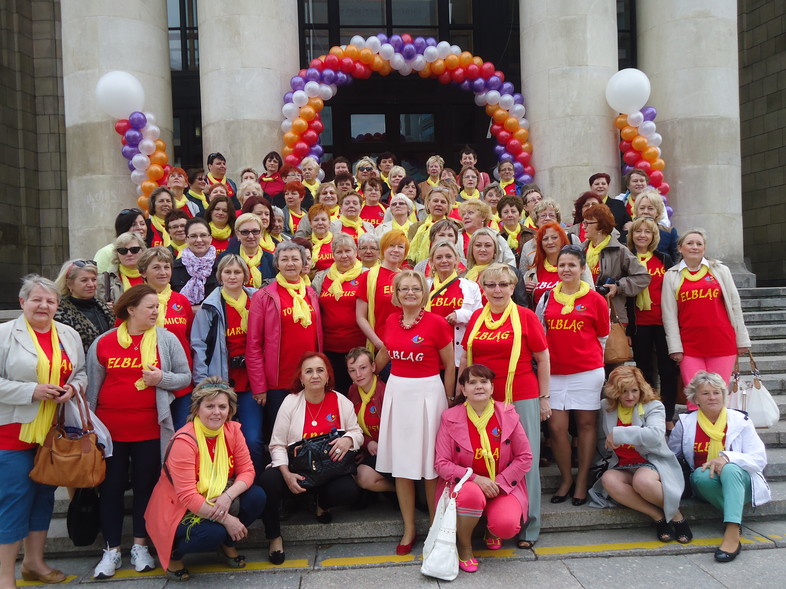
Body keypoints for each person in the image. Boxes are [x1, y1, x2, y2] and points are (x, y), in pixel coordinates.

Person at [86, 284, 191, 580]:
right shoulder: (104, 342)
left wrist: (162, 377)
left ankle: (140, 546)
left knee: (146, 487)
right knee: (111, 489)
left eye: (158, 306)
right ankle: (111, 550)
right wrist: (91, 429)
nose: (157, 311)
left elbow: (185, 376)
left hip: (150, 430)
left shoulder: (166, 339)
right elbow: (92, 389)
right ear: (131, 310)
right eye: (150, 307)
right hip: (110, 432)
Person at [0, 275, 85, 587]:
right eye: (36, 299)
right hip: (12, 432)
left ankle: (34, 563)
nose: (43, 305)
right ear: (23, 302)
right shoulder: (5, 334)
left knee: (43, 497)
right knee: (14, 498)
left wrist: (73, 388)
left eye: (50, 301)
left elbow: (82, 372)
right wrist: (31, 390)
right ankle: (4, 574)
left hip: (53, 433)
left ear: (57, 306)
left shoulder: (68, 334)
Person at [460, 263, 549, 548]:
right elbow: (465, 359)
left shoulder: (525, 316)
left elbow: (543, 358)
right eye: (491, 285)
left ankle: (529, 524)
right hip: (480, 399)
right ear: (483, 288)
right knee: (489, 458)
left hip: (521, 396)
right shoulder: (476, 317)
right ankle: (493, 521)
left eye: (503, 284)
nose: (497, 290)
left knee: (525, 460)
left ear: (513, 287)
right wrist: (458, 394)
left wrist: (544, 398)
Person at [145, 377, 267, 581]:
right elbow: (187, 496)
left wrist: (228, 497)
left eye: (222, 406)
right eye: (210, 406)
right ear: (197, 409)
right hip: (179, 508)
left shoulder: (232, 431)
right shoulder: (184, 441)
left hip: (217, 497)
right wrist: (228, 520)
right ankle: (174, 554)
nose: (216, 412)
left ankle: (227, 543)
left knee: (257, 497)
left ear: (230, 410)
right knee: (212, 534)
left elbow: (248, 471)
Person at [374, 270, 456, 555]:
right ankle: (409, 528)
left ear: (424, 292)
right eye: (404, 289)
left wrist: (447, 400)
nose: (410, 293)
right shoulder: (390, 320)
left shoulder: (436, 323)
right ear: (396, 294)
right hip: (399, 393)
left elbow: (450, 365)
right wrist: (370, 367)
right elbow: (385, 353)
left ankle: (435, 526)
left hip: (428, 394)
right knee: (403, 468)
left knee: (431, 467)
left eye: (415, 289)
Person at [257, 352, 363, 564]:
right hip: (297, 471)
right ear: (301, 378)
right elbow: (277, 444)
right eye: (309, 371)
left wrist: (348, 440)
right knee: (268, 480)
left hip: (327, 471)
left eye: (320, 370)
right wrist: (286, 475)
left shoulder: (341, 401)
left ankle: (319, 503)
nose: (315, 375)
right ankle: (274, 537)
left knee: (349, 489)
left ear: (327, 376)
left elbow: (357, 432)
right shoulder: (290, 402)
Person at [435, 365, 532, 571]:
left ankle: (492, 529)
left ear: (492, 387)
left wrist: (498, 482)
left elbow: (524, 457)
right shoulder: (449, 417)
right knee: (471, 495)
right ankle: (465, 546)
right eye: (472, 382)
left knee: (506, 526)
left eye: (484, 382)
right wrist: (475, 479)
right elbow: (441, 464)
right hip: (467, 484)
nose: (479, 386)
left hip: (501, 485)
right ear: (463, 389)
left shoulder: (508, 414)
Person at [668, 371, 770, 562]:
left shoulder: (740, 420)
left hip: (741, 483)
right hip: (707, 484)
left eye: (716, 392)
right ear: (695, 398)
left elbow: (759, 459)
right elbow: (671, 456)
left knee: (730, 469)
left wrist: (726, 458)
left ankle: (732, 531)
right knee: (700, 474)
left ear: (724, 395)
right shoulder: (685, 423)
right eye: (705, 393)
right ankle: (734, 512)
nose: (712, 397)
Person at [537, 246, 609, 506]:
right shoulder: (547, 298)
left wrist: (588, 358)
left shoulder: (595, 299)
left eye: (572, 265)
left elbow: (603, 334)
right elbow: (539, 335)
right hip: (554, 373)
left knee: (586, 426)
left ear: (582, 268)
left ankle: (581, 482)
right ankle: (565, 478)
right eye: (562, 265)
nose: (566, 269)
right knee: (556, 428)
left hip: (587, 372)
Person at [589, 366, 691, 543]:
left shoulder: (654, 405)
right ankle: (657, 516)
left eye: (634, 391)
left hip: (651, 462)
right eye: (624, 391)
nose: (630, 396)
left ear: (641, 389)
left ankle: (677, 517)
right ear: (615, 393)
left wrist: (620, 434)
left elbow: (655, 435)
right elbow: (601, 438)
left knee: (642, 481)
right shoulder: (607, 406)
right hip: (622, 464)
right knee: (608, 480)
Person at [191, 255, 264, 472]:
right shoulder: (210, 307)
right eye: (227, 272)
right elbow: (199, 346)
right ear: (220, 275)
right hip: (222, 382)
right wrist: (204, 386)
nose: (232, 276)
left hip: (251, 383)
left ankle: (255, 487)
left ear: (245, 275)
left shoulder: (257, 300)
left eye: (237, 272)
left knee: (253, 439)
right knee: (221, 440)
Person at [247, 242, 322, 441]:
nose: (290, 264)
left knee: (307, 435)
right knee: (280, 437)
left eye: (295, 259)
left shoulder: (311, 294)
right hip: (278, 383)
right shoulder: (264, 296)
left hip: (308, 380)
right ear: (277, 264)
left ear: (303, 263)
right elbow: (253, 344)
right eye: (285, 259)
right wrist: (260, 386)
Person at [661, 229, 750, 387]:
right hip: (689, 346)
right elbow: (669, 315)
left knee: (718, 394)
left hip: (722, 343)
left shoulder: (721, 271)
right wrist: (675, 347)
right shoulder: (671, 275)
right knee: (695, 395)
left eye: (699, 244)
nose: (694, 247)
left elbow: (735, 306)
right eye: (690, 243)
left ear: (704, 248)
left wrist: (742, 339)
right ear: (680, 248)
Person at [627, 216, 679, 424]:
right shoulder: (627, 259)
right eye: (638, 231)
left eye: (647, 232)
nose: (642, 235)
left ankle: (667, 415)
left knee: (668, 371)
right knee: (644, 370)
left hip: (663, 322)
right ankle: (649, 412)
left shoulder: (664, 259)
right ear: (632, 235)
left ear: (653, 236)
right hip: (639, 323)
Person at [582, 203, 650, 355]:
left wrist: (618, 287)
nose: (583, 227)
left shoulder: (619, 250)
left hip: (611, 315)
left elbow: (643, 277)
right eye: (583, 222)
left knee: (612, 361)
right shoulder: (581, 249)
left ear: (600, 226)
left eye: (588, 223)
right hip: (585, 313)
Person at [138, 247, 194, 429]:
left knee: (179, 434)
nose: (163, 272)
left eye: (166, 267)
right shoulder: (132, 302)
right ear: (143, 272)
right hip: (147, 381)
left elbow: (190, 339)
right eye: (156, 267)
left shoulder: (182, 301)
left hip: (180, 382)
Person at [312, 234, 366, 394]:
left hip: (360, 347)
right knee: (336, 392)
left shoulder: (367, 275)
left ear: (355, 251)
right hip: (330, 348)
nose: (344, 256)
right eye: (339, 252)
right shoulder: (321, 277)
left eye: (348, 251)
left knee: (360, 392)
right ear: (333, 254)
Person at [426, 240, 482, 369]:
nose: (444, 260)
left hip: (460, 356)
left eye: (449, 256)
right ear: (432, 262)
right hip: (431, 353)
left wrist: (460, 315)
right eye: (439, 257)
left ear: (456, 260)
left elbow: (479, 318)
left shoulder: (470, 286)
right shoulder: (424, 286)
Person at [345, 348, 395, 493]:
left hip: (390, 452)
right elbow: (352, 425)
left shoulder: (386, 392)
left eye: (363, 368)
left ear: (373, 367)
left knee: (363, 476)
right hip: (370, 450)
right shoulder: (353, 390)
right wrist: (367, 443)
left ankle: (407, 493)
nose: (358, 375)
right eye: (352, 370)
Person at [355, 230, 408, 353]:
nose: (396, 250)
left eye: (400, 247)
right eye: (391, 245)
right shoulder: (368, 277)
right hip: (381, 346)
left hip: (405, 344)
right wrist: (379, 344)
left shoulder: (407, 278)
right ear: (383, 249)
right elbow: (360, 317)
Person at [521, 222, 594, 310]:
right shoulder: (532, 272)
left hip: (574, 319)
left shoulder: (577, 265)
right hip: (541, 321)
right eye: (545, 239)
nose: (550, 242)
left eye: (554, 237)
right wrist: (525, 290)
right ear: (540, 244)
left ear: (562, 239)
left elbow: (591, 293)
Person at [54, 259, 114, 353]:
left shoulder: (104, 307)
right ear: (69, 284)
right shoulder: (60, 312)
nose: (91, 284)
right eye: (84, 280)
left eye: (94, 279)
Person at [171, 217, 219, 307]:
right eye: (193, 236)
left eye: (203, 235)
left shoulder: (221, 268)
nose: (199, 240)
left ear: (210, 238)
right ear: (186, 239)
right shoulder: (174, 268)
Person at [223, 212, 276, 287]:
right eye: (245, 232)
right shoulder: (225, 258)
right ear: (238, 234)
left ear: (261, 233)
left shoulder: (272, 260)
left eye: (255, 231)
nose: (251, 236)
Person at [457, 201, 516, 266]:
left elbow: (510, 261)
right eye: (463, 214)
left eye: (470, 213)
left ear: (483, 217)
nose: (465, 217)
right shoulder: (456, 237)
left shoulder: (496, 236)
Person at [97, 232, 147, 306]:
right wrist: (106, 309)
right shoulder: (104, 280)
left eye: (134, 250)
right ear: (117, 253)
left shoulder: (153, 275)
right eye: (123, 251)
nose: (129, 254)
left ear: (142, 251)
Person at [407, 186, 455, 262]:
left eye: (443, 202)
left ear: (448, 206)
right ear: (428, 204)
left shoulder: (456, 226)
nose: (439, 204)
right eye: (435, 201)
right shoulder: (416, 227)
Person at [94, 207, 149, 273]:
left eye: (142, 224)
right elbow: (97, 279)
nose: (140, 228)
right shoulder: (106, 252)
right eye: (133, 225)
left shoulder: (148, 251)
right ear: (123, 228)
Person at [634, 189, 679, 260]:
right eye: (642, 208)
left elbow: (677, 259)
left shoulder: (669, 233)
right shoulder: (630, 232)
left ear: (657, 212)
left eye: (650, 208)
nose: (645, 212)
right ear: (637, 211)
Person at [588, 172, 631, 240]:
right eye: (597, 184)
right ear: (591, 187)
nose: (600, 186)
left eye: (603, 184)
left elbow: (627, 225)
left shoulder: (618, 205)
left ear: (608, 186)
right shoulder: (586, 205)